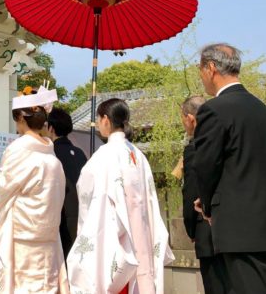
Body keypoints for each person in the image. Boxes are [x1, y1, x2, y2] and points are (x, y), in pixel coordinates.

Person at [193, 43, 266, 294]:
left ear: (211, 68)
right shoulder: (262, 110)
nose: (201, 77)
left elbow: (206, 166)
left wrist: (206, 205)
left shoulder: (214, 110)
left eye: (201, 70)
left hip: (239, 229)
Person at [67, 98, 173, 294]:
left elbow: (86, 189)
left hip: (115, 233)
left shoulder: (104, 155)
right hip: (140, 231)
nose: (99, 124)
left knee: (113, 276)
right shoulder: (138, 155)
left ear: (106, 120)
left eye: (99, 119)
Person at [0, 86, 69, 293]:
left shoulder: (18, 149)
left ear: (21, 119)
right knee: (46, 282)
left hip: (22, 234)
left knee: (22, 284)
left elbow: (4, 189)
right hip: (49, 234)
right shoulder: (53, 159)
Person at [180, 95, 224, 294]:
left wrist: (190, 228)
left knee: (215, 286)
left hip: (206, 230)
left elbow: (191, 191)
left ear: (190, 118)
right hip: (232, 226)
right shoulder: (223, 140)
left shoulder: (194, 148)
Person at [46, 106, 88, 259]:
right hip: (82, 216)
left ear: (50, 128)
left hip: (62, 218)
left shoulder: (51, 154)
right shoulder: (80, 153)